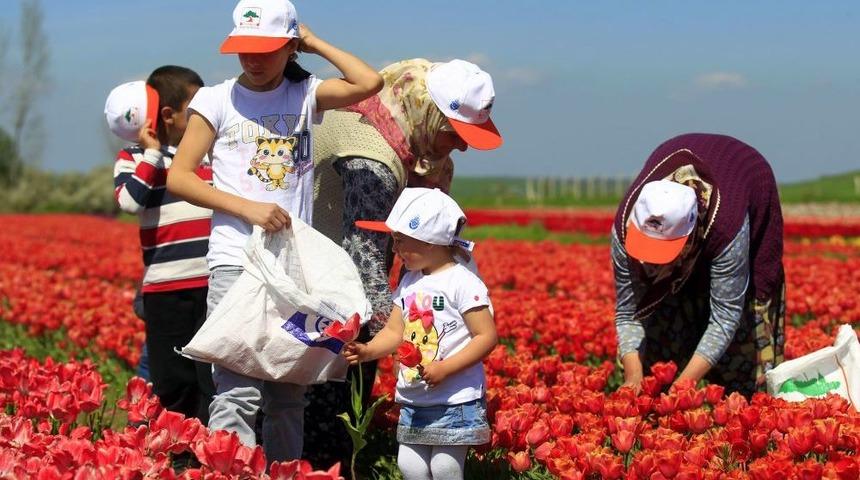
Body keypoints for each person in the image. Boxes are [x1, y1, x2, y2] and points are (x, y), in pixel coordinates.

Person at [166, 0, 382, 463]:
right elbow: (180, 176)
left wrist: (315, 42)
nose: (253, 60)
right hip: (234, 260)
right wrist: (248, 208)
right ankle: (230, 473)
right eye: (245, 49)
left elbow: (370, 83)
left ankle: (286, 473)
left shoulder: (305, 96)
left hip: (292, 268)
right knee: (237, 392)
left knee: (288, 396)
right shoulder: (215, 100)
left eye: (266, 49)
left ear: (289, 47)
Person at [306, 58, 502, 468]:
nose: (463, 146)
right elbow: (366, 264)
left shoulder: (409, 146)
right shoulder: (371, 159)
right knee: (328, 397)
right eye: (456, 133)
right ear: (429, 115)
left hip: (340, 280)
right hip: (322, 284)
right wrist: (403, 334)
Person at [612, 133, 785, 397]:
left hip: (745, 178)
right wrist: (634, 376)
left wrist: (682, 388)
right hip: (696, 212)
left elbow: (725, 317)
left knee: (745, 354)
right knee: (657, 347)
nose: (649, 260)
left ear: (691, 233)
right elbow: (628, 312)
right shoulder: (625, 227)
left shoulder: (727, 226)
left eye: (664, 252)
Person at [343, 187, 497, 480]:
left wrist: (445, 368)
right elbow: (394, 330)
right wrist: (368, 351)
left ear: (430, 241)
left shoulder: (463, 283)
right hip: (415, 397)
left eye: (401, 242)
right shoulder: (410, 282)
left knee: (445, 468)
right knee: (410, 466)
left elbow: (486, 336)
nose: (395, 250)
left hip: (455, 397)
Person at [106, 66, 216, 422]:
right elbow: (129, 201)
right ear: (168, 115)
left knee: (208, 375)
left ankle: (204, 450)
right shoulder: (133, 159)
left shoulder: (203, 154)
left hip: (211, 279)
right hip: (167, 286)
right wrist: (152, 155)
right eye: (195, 107)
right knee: (172, 377)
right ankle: (175, 451)